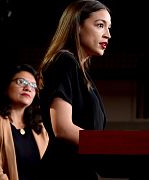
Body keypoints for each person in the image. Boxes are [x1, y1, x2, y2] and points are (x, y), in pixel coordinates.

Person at [37, 0, 110, 179]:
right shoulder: (64, 61)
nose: (108, 34)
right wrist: (109, 145)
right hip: (64, 172)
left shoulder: (81, 72)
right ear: (77, 25)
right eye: (100, 25)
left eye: (109, 27)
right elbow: (62, 127)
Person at [0, 64, 49, 180]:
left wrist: (88, 142)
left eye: (33, 85)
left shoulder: (40, 129)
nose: (28, 88)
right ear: (6, 86)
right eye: (21, 82)